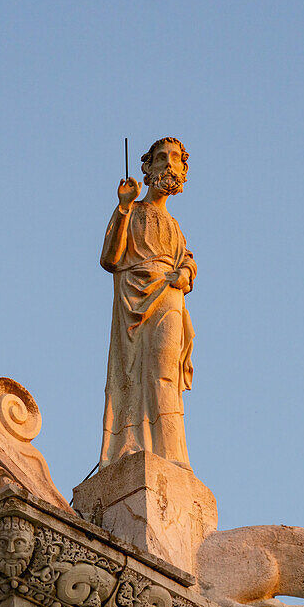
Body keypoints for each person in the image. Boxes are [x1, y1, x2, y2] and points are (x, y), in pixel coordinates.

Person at [98, 137, 196, 469]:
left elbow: (188, 260)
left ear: (182, 170)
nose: (168, 165)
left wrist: (184, 272)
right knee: (130, 373)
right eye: (161, 158)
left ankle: (173, 454)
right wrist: (124, 206)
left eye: (175, 159)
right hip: (132, 296)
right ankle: (130, 443)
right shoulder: (132, 211)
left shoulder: (175, 226)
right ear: (147, 168)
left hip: (168, 296)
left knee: (163, 370)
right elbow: (110, 257)